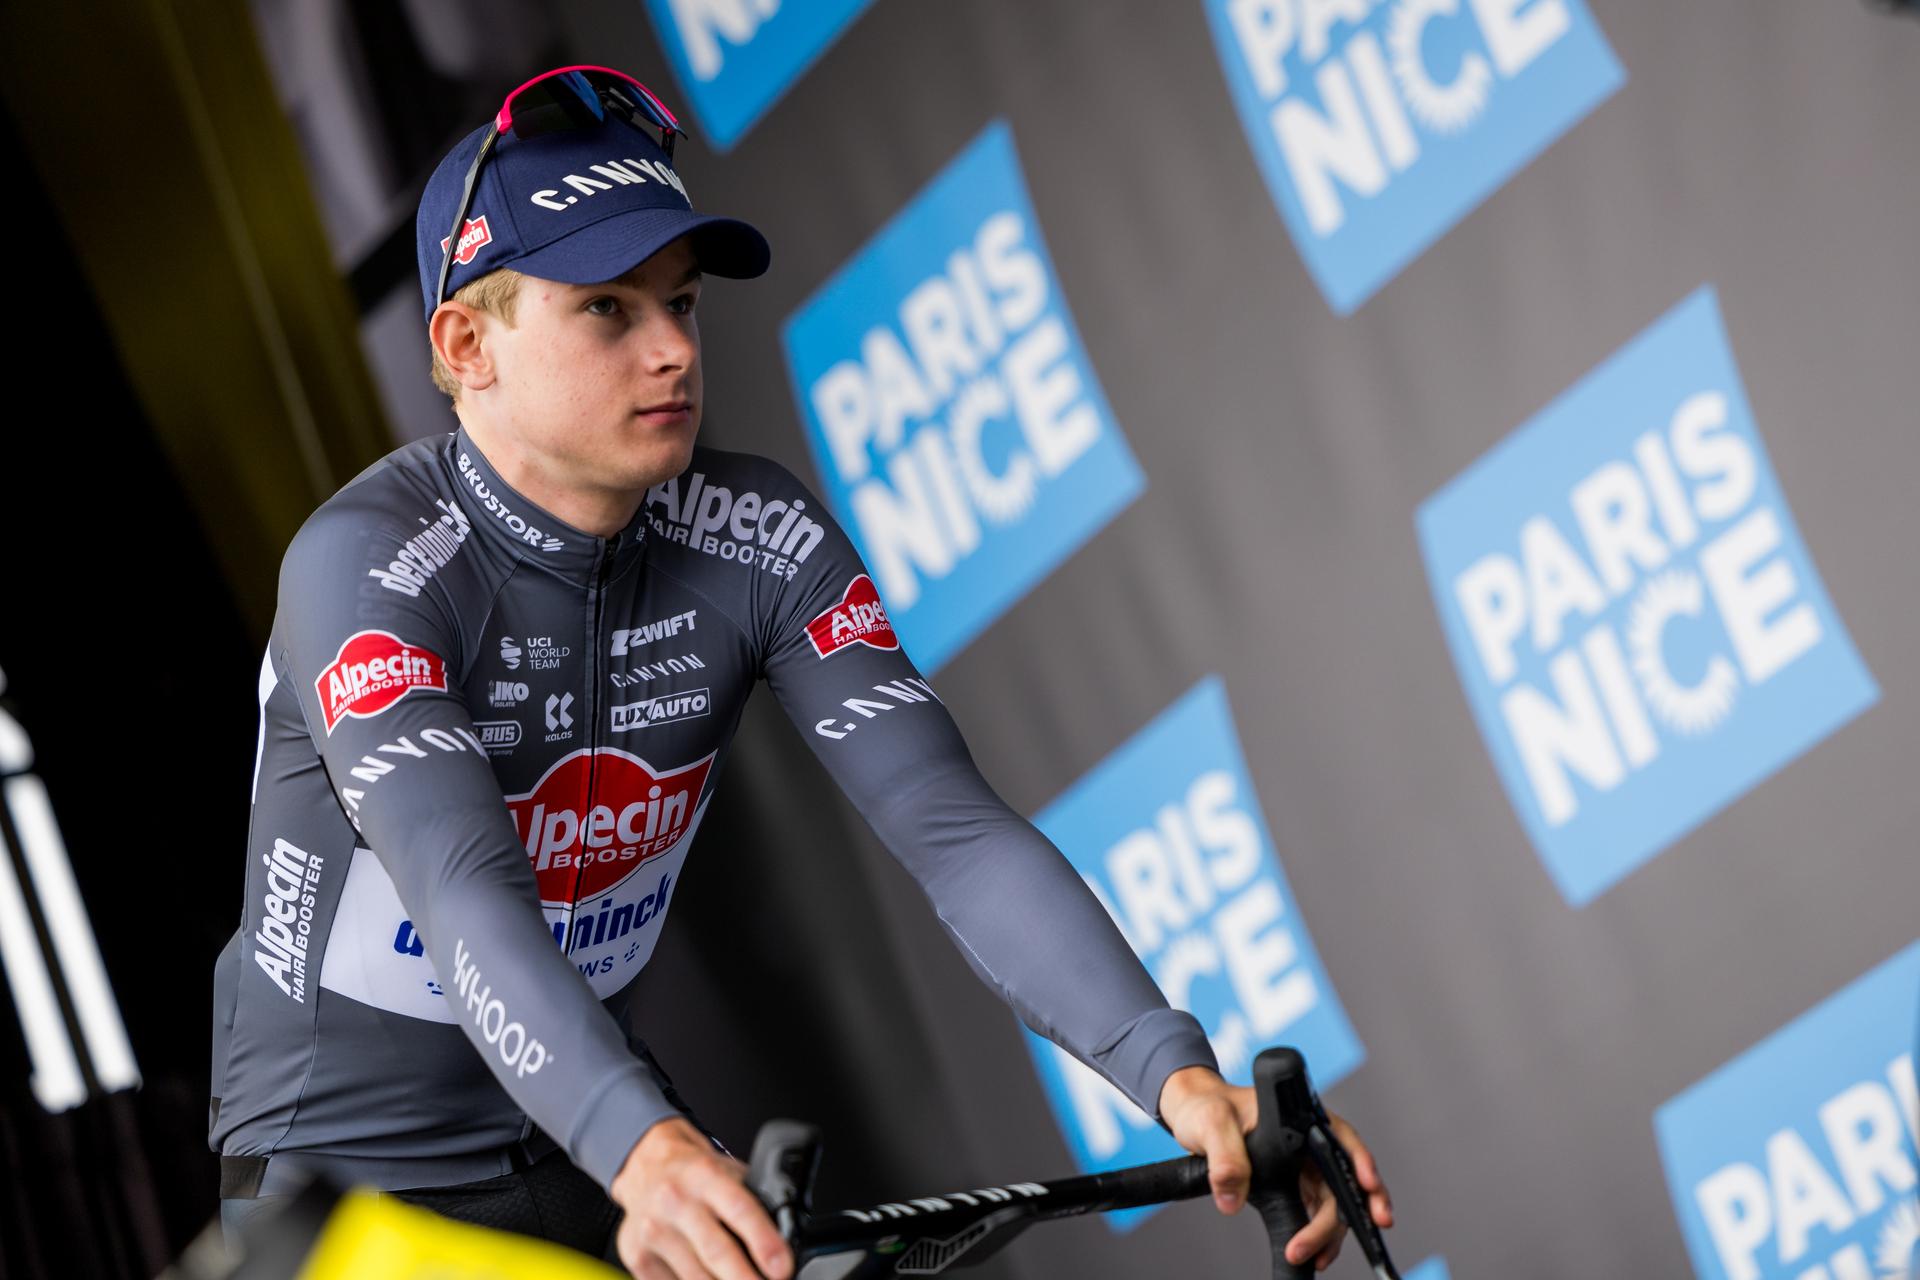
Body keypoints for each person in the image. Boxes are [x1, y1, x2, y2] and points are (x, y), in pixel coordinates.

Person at [207, 66, 1391, 1279]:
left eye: (682, 299)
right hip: (348, 1175)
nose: (671, 347)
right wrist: (646, 1145)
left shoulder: (756, 536)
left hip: (585, 1141)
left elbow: (954, 830)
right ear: (467, 345)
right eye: (608, 310)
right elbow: (464, 892)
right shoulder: (368, 566)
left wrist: (1180, 1077)